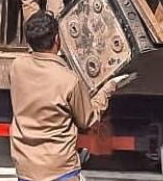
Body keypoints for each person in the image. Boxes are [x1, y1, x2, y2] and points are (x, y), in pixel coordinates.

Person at [9, 11, 132, 181]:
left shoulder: (17, 67)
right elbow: (88, 120)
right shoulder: (68, 80)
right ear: (57, 40)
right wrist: (108, 88)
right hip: (59, 170)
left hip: (25, 168)